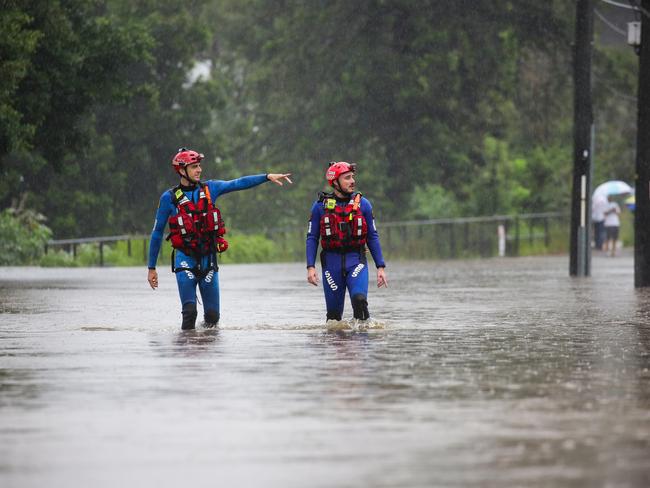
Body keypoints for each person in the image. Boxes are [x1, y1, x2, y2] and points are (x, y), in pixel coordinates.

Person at [147, 147, 292, 329]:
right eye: (194, 167)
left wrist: (266, 176)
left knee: (213, 318)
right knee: (190, 313)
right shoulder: (168, 198)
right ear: (181, 170)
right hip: (184, 260)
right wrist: (151, 267)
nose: (199, 170)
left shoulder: (211, 188)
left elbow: (237, 183)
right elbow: (157, 232)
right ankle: (186, 353)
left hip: (208, 259)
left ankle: (208, 351)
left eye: (199, 166)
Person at [306, 161, 387, 326]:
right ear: (335, 182)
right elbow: (312, 237)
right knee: (334, 320)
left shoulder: (363, 205)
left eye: (353, 177)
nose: (352, 181)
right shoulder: (319, 207)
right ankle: (339, 347)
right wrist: (310, 267)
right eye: (347, 178)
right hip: (331, 263)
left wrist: (380, 267)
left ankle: (361, 345)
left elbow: (372, 236)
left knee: (359, 300)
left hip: (356, 260)